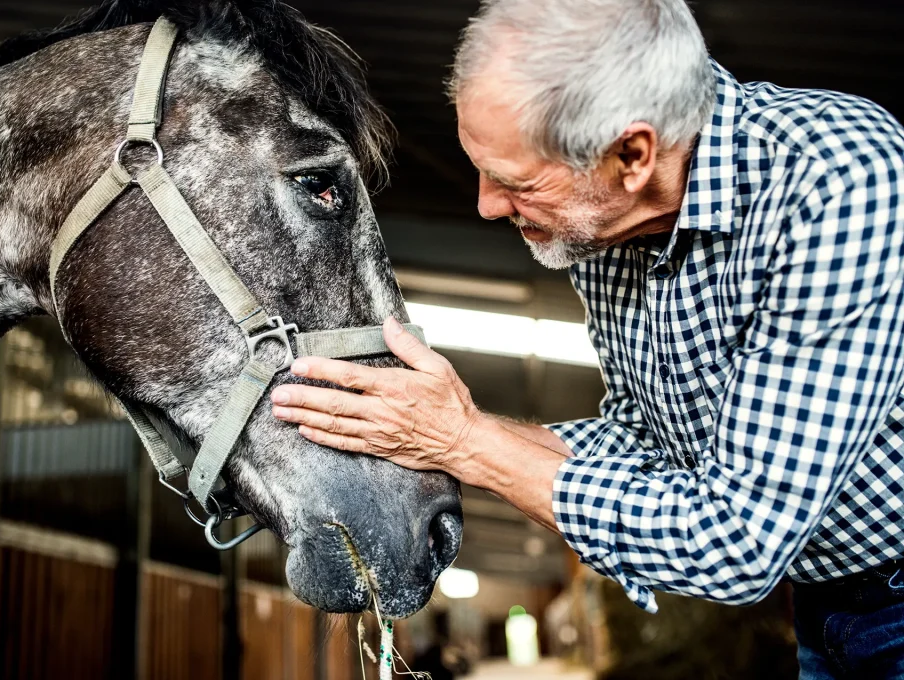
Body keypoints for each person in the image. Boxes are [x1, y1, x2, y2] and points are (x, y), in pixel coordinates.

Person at [268, 1, 904, 677]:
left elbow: (735, 541)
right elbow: (644, 436)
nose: (486, 205)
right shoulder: (604, 228)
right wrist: (433, 432)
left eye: (517, 182)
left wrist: (463, 441)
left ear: (632, 154)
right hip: (825, 601)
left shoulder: (837, 188)